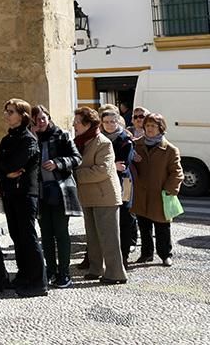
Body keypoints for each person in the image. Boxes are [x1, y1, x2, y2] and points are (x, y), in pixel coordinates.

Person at [0, 98, 46, 297]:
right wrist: (6, 173)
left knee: (28, 237)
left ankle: (38, 281)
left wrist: (6, 169)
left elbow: (15, 163)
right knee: (17, 236)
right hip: (10, 192)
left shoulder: (28, 139)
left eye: (11, 111)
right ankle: (24, 276)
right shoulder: (8, 139)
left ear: (22, 116)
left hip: (25, 193)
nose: (6, 115)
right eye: (6, 111)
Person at [30, 104, 82, 289]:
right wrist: (34, 138)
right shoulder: (32, 139)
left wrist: (58, 163)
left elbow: (77, 158)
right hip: (41, 192)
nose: (41, 122)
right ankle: (50, 270)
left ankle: (64, 273)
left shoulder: (62, 135)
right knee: (46, 234)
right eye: (36, 120)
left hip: (60, 191)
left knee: (61, 232)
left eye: (43, 118)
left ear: (49, 117)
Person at [73, 108, 127, 285]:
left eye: (78, 122)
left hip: (105, 196)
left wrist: (75, 174)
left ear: (88, 124)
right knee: (93, 236)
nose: (74, 125)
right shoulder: (80, 142)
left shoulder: (102, 142)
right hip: (88, 196)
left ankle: (116, 273)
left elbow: (102, 170)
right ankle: (96, 269)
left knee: (108, 237)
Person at [131, 112, 184, 267]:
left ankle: (165, 254)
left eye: (153, 126)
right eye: (147, 125)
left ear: (161, 128)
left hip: (159, 194)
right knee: (144, 226)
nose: (150, 129)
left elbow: (177, 172)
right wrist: (132, 158)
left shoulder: (170, 150)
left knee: (162, 227)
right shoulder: (136, 145)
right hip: (141, 193)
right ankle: (146, 254)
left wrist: (169, 190)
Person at [100, 106, 137, 264]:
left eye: (112, 121)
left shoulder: (124, 139)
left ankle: (124, 256)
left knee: (125, 217)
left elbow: (123, 164)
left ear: (118, 121)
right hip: (105, 181)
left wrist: (108, 165)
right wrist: (111, 165)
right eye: (106, 122)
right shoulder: (99, 138)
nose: (109, 125)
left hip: (124, 182)